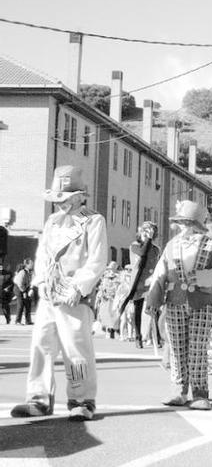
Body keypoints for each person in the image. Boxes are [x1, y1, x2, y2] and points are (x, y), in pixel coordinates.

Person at [10, 165, 108, 420]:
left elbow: (97, 260)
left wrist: (79, 287)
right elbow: (41, 256)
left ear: (79, 195)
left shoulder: (93, 221)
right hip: (49, 295)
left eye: (65, 198)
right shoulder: (52, 221)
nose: (61, 203)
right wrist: (40, 282)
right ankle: (38, 397)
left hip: (74, 294)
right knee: (41, 344)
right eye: (58, 199)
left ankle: (81, 399)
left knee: (76, 348)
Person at [145, 200, 212, 411]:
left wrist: (202, 277)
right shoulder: (171, 245)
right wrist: (153, 300)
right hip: (174, 301)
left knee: (198, 348)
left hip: (202, 302)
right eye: (181, 222)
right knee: (177, 347)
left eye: (187, 223)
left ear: (197, 224)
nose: (183, 227)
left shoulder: (211, 245)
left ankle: (200, 393)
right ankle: (178, 390)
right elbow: (160, 273)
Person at [121, 221, 161, 349]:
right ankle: (138, 337)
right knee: (137, 310)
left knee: (154, 308)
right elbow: (143, 253)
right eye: (146, 231)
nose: (148, 233)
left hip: (150, 280)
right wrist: (148, 239)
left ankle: (157, 337)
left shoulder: (155, 249)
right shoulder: (134, 246)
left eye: (150, 231)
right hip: (138, 281)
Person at [13, 259, 34, 325]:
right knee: (21, 304)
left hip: (25, 288)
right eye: (31, 263)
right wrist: (24, 292)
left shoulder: (29, 272)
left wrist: (30, 289)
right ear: (27, 265)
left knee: (28, 304)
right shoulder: (23, 272)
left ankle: (28, 321)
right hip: (19, 289)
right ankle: (17, 321)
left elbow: (29, 282)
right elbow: (19, 283)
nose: (32, 264)